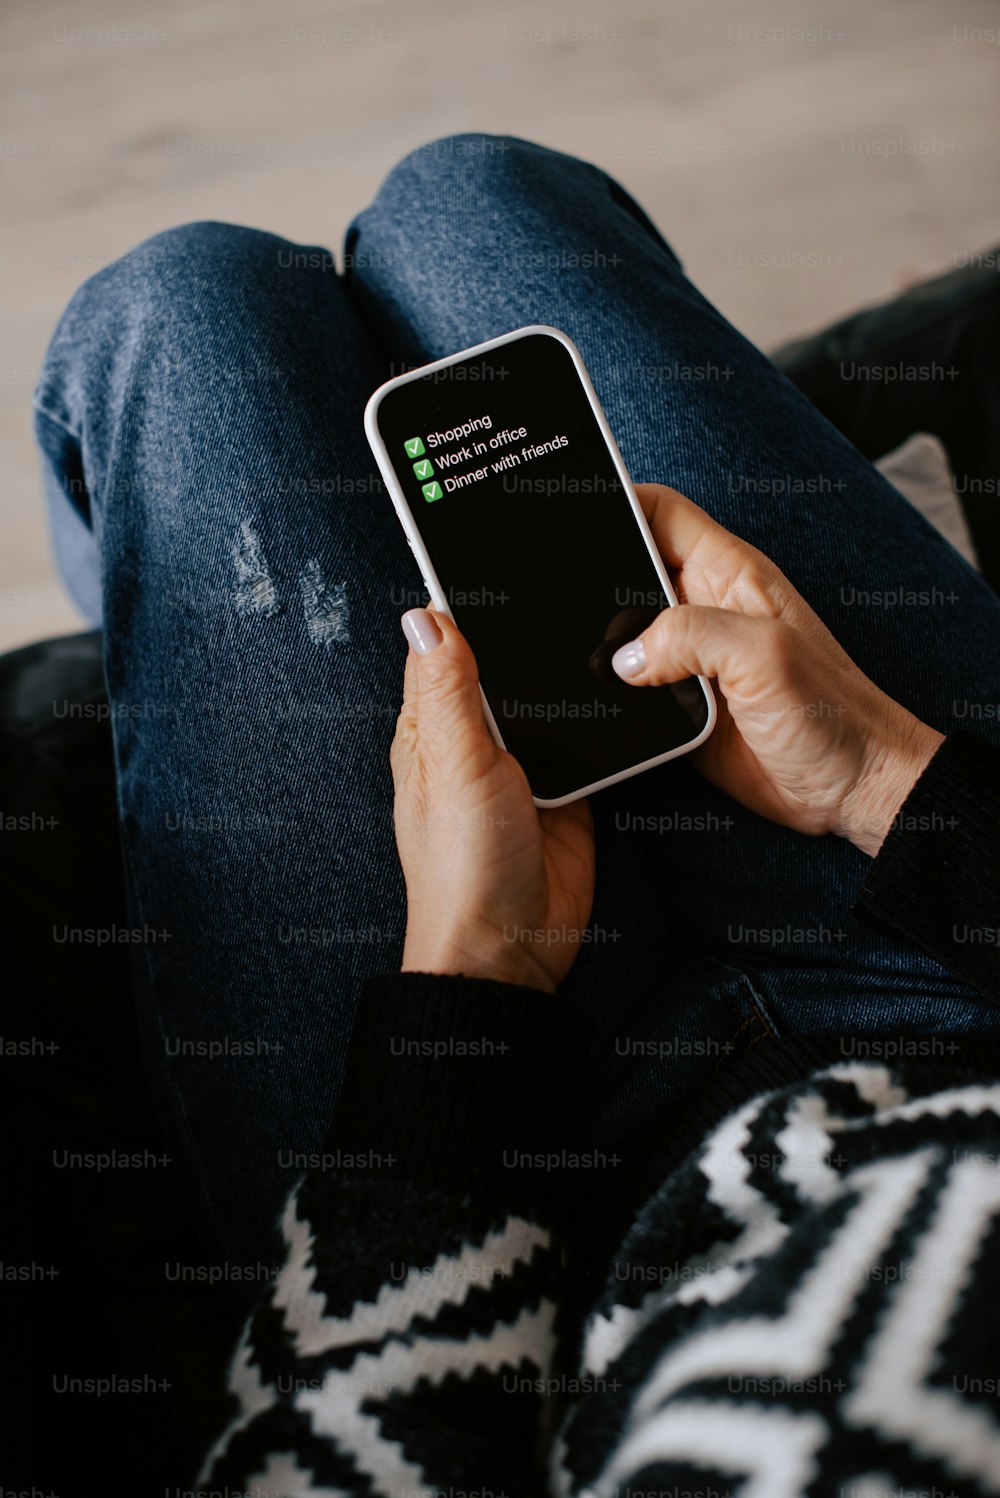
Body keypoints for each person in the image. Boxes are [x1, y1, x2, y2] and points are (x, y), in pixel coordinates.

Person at [33, 135, 1000, 1494]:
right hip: (954, 972)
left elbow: (328, 1450)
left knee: (186, 313)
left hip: (499, 1182)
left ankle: (133, 631)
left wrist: (470, 979)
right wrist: (889, 778)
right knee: (471, 196)